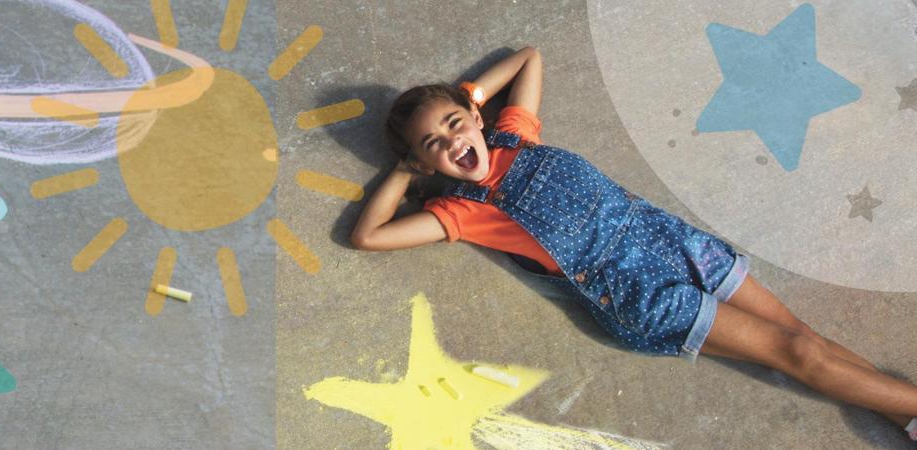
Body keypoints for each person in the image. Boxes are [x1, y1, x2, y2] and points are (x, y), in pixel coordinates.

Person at [349, 46, 917, 441]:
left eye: (454, 122)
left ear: (475, 116)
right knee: (798, 356)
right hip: (642, 292)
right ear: (425, 162)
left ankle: (904, 417)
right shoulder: (461, 210)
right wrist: (404, 170)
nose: (453, 141)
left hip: (676, 242)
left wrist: (469, 95)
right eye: (433, 144)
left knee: (803, 339)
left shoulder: (513, 136)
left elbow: (529, 58)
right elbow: (370, 235)